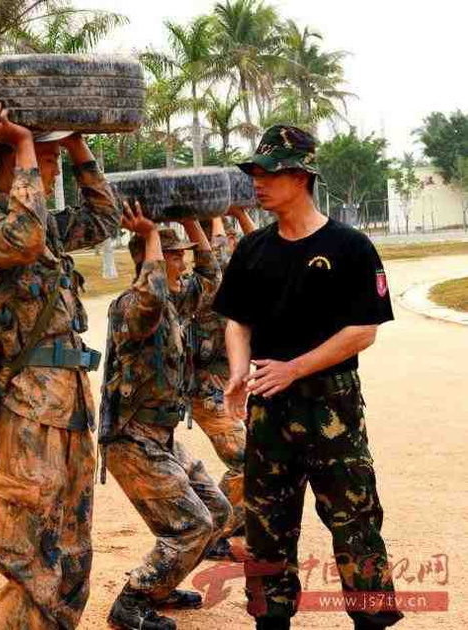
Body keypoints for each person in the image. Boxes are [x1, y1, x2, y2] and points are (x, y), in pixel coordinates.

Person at [212, 125, 403, 630]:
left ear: (300, 177)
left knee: (355, 520)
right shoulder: (252, 249)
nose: (257, 182)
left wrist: (295, 367)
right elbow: (238, 321)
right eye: (253, 172)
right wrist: (237, 371)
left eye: (267, 173)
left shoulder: (350, 247)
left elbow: (363, 330)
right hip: (268, 408)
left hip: (330, 406)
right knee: (266, 526)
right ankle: (269, 621)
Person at [0, 99, 119, 629]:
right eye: (43, 164)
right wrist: (26, 144)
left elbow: (104, 219)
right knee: (31, 548)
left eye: (49, 163)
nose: (49, 175)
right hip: (27, 408)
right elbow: (23, 237)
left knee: (74, 542)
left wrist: (78, 147)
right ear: (14, 164)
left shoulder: (47, 225)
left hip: (70, 404)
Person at [101, 201, 231, 630]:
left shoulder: (174, 300)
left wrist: (196, 217)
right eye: (174, 254)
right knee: (191, 526)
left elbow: (214, 281)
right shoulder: (133, 307)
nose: (183, 259)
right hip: (131, 439)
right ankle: (131, 602)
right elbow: (151, 295)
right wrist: (152, 235)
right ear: (151, 257)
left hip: (162, 437)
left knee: (218, 511)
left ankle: (161, 586)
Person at [191, 208, 257, 560]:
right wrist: (217, 215)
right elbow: (218, 258)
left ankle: (240, 520)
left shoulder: (242, 272)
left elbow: (265, 245)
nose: (234, 245)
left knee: (259, 454)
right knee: (245, 458)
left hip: (229, 380)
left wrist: (241, 214)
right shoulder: (208, 281)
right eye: (228, 239)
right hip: (205, 385)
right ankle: (214, 530)